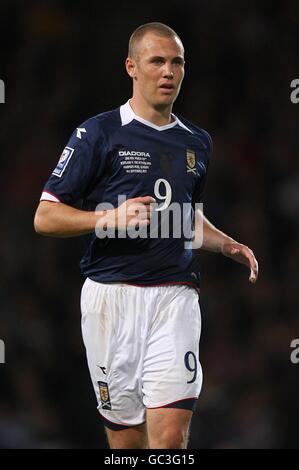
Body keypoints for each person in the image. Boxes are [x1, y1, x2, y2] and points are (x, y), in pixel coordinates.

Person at [34, 22, 258, 449]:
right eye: (157, 61)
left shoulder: (198, 142)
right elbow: (45, 217)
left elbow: (185, 218)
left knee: (170, 440)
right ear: (132, 67)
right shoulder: (97, 133)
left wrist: (226, 243)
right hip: (110, 300)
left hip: (175, 297)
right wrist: (107, 219)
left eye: (177, 62)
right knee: (126, 445)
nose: (168, 71)